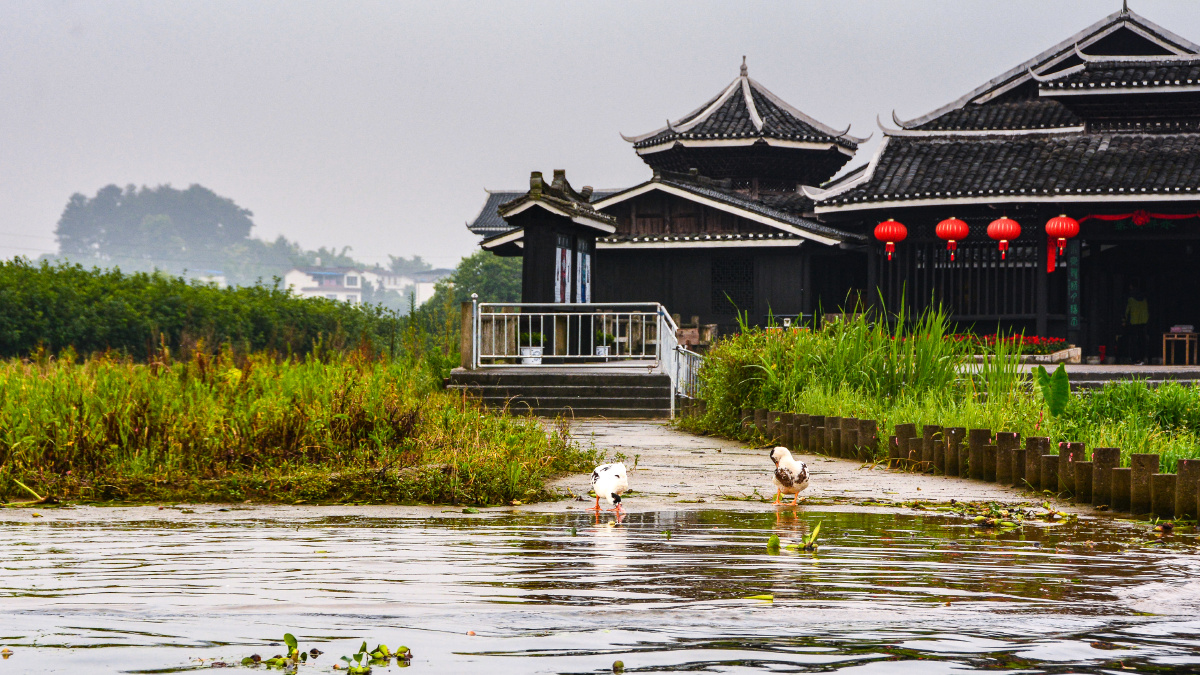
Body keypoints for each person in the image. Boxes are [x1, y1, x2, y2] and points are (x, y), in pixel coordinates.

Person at [1123, 284, 1149, 364]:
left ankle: (1135, 359)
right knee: (1142, 340)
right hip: (1143, 322)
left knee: (1133, 341)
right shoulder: (1144, 299)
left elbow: (1127, 311)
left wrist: (1124, 320)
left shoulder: (1130, 299)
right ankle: (1142, 358)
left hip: (1133, 322)